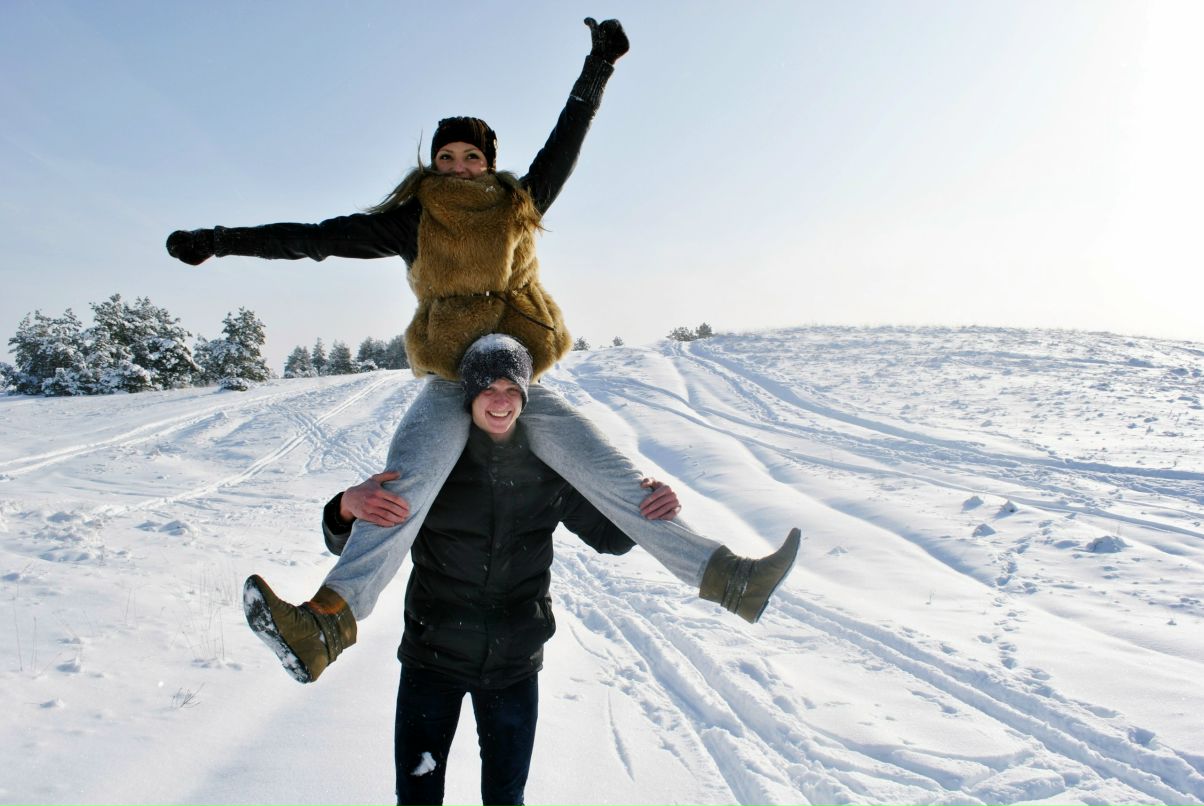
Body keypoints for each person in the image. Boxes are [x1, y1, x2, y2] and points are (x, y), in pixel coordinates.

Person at [169, 17, 800, 683]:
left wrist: (598, 68)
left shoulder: (519, 205)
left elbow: (565, 143)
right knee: (399, 489)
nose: (460, 166)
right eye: (447, 158)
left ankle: (727, 578)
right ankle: (328, 622)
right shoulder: (414, 220)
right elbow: (314, 236)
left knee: (616, 478)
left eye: (471, 157)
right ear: (432, 164)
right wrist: (218, 238)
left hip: (518, 375)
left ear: (489, 162)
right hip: (450, 377)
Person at [247, 336, 682, 806]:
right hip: (432, 661)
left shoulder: (548, 468)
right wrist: (346, 508)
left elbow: (609, 538)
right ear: (469, 395)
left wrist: (648, 507)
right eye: (489, 389)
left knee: (505, 796)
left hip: (515, 666)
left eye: (512, 390)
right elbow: (361, 539)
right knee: (417, 795)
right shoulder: (435, 464)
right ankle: (323, 627)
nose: (501, 401)